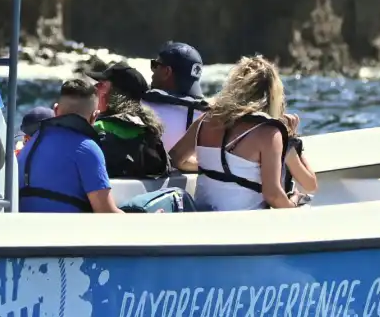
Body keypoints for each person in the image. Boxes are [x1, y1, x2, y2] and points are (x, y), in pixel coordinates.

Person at [170, 55, 318, 210]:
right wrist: (293, 203)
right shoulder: (268, 133)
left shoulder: (206, 120)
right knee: (304, 207)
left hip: (204, 218)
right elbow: (274, 195)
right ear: (273, 95)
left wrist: (213, 165)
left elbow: (176, 158)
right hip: (245, 226)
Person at [17, 78, 120, 213]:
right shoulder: (87, 148)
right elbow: (106, 213)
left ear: (55, 110)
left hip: (26, 230)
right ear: (94, 116)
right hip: (66, 232)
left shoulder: (29, 144)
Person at [91, 63, 169, 178]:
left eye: (100, 85)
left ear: (114, 94)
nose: (95, 88)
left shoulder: (97, 128)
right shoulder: (150, 133)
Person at [144, 41, 208, 154]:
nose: (153, 71)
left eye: (155, 65)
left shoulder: (143, 106)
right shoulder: (207, 118)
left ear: (167, 72)